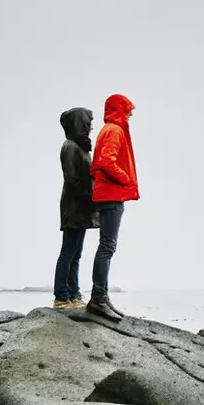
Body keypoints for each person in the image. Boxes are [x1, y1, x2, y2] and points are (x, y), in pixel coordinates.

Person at [87, 93, 138, 322]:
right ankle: (98, 298)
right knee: (108, 246)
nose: (131, 114)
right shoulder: (114, 130)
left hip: (107, 193)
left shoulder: (109, 129)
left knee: (107, 245)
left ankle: (102, 297)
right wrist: (125, 178)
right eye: (128, 110)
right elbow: (107, 161)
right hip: (112, 194)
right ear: (120, 109)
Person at [52, 107, 97, 309]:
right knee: (68, 251)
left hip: (83, 207)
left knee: (76, 253)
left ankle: (74, 294)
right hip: (74, 206)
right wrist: (91, 194)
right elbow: (71, 179)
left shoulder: (82, 147)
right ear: (79, 124)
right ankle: (61, 296)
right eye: (88, 123)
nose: (91, 127)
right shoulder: (70, 146)